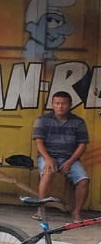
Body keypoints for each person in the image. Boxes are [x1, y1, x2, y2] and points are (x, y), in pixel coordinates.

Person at [34, 90, 90, 221]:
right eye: (57, 103)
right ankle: (40, 209)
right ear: (52, 104)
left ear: (70, 105)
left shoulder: (78, 122)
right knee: (48, 172)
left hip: (70, 159)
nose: (60, 106)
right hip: (48, 156)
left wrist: (70, 162)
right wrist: (48, 159)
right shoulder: (42, 120)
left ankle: (76, 213)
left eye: (64, 103)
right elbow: (39, 143)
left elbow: (82, 145)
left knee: (84, 180)